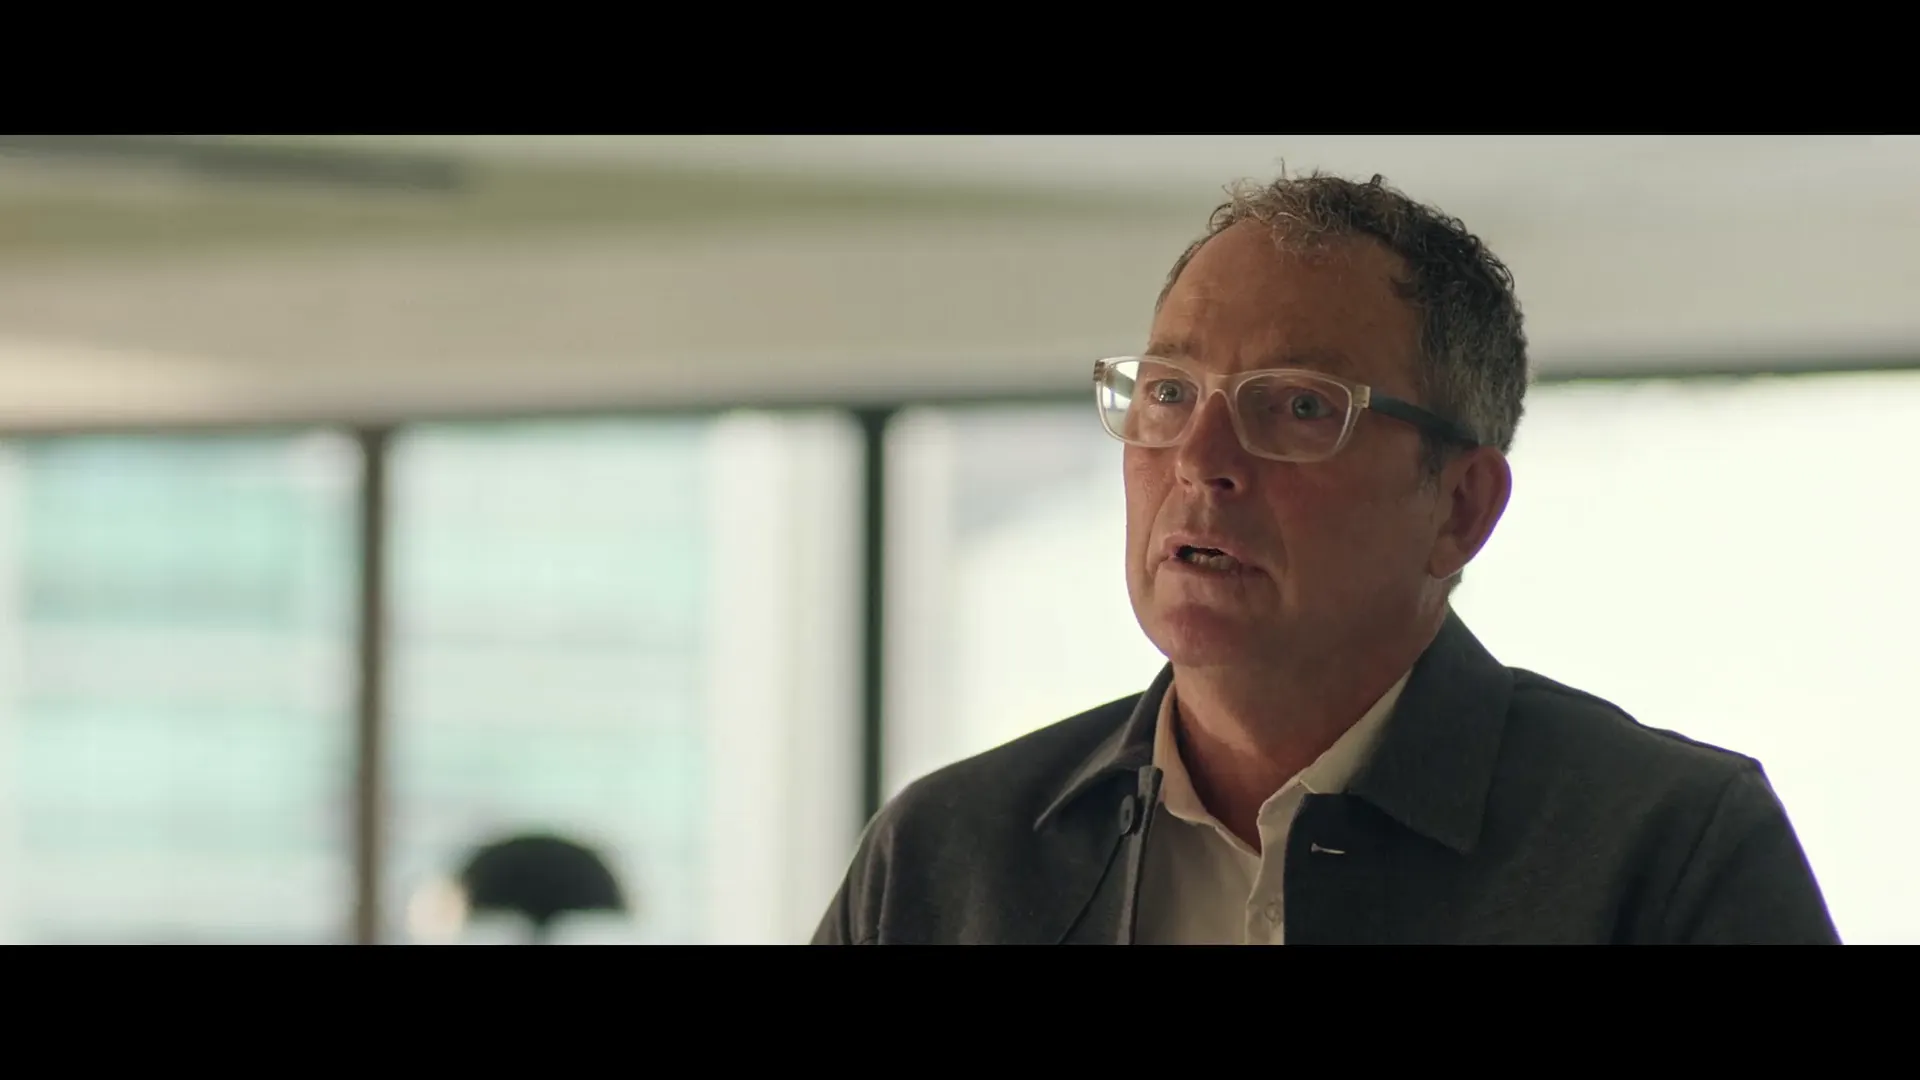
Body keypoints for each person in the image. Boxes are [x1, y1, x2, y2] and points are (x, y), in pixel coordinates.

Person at [812, 170, 1840, 945]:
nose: (1200, 462)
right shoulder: (945, 858)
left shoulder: (1667, 850)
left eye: (1299, 407)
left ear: (1460, 508)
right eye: (1168, 392)